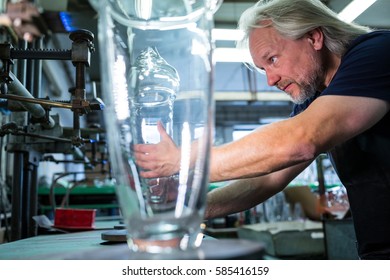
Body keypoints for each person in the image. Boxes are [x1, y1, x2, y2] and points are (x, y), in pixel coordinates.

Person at [133, 0, 390, 259]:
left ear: (313, 37)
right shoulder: (316, 99)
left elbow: (300, 141)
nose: (270, 80)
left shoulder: (378, 52)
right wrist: (189, 208)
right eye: (263, 68)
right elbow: (266, 179)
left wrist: (183, 160)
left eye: (273, 59)